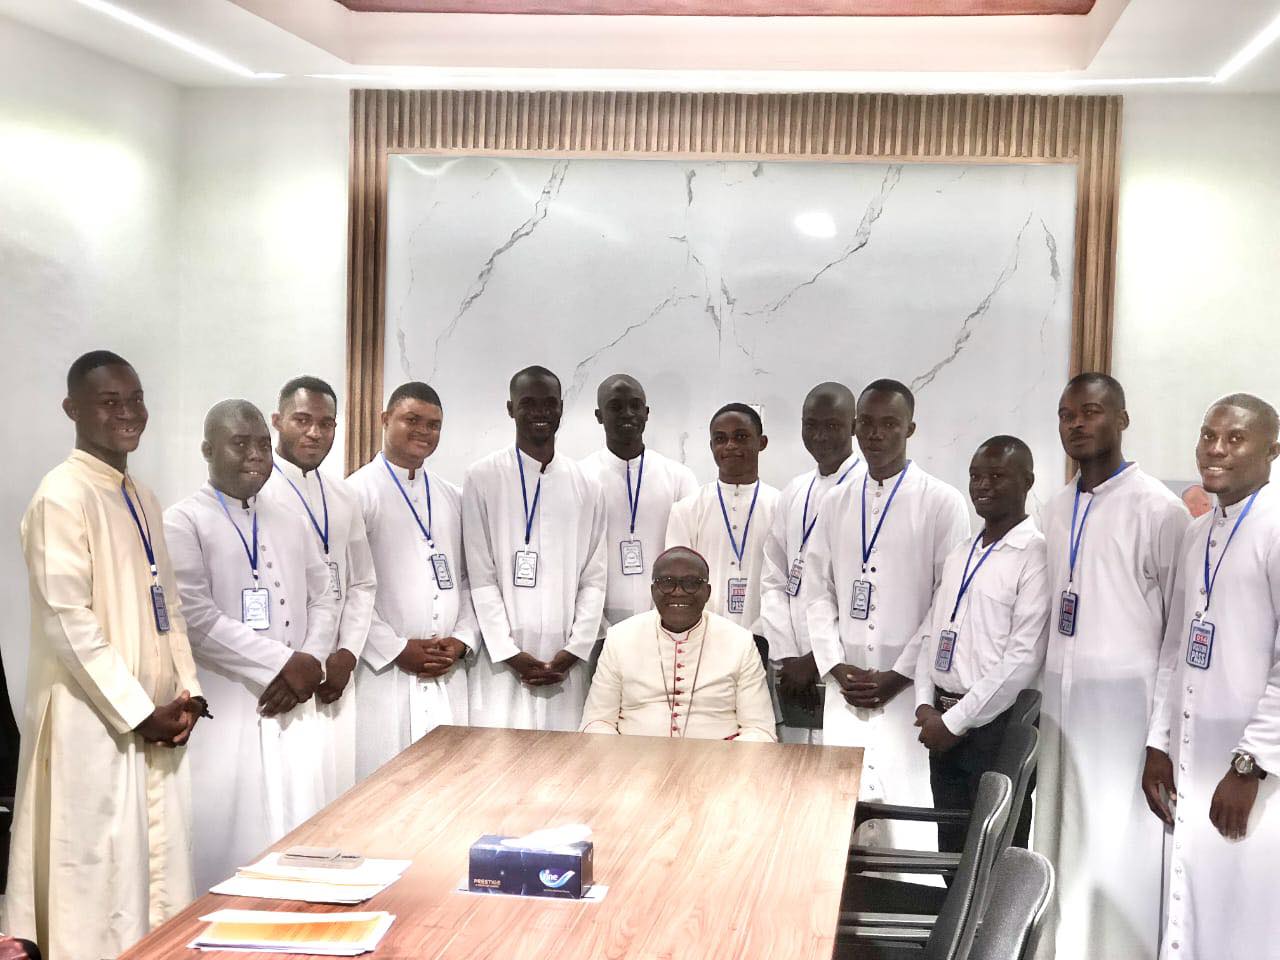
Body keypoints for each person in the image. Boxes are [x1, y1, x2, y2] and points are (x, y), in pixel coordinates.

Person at [4, 352, 205, 959]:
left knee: (154, 881)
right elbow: (68, 621)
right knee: (95, 882)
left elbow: (166, 602)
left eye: (135, 399)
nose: (127, 413)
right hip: (93, 724)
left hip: (155, 719)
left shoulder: (139, 494)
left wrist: (188, 692)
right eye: (109, 401)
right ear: (73, 410)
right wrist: (139, 709)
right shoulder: (60, 495)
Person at [1033, 373, 1189, 960]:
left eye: (1091, 411)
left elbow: (1176, 637)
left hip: (1128, 717)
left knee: (1119, 847)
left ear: (1122, 419)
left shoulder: (1160, 510)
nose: (1076, 424)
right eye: (1066, 414)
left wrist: (1160, 739)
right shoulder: (1052, 507)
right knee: (1058, 839)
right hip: (1060, 708)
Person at [165, 400, 338, 892]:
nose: (256, 455)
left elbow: (326, 596)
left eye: (263, 444)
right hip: (232, 702)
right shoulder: (183, 521)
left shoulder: (288, 516)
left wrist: (310, 664)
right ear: (208, 449)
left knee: (302, 828)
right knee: (232, 837)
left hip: (297, 701)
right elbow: (194, 618)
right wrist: (285, 663)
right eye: (240, 443)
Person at [1143, 393, 1280, 960]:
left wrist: (1251, 765)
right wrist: (1157, 743)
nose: (1215, 449)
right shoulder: (1199, 532)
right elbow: (1175, 648)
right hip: (1194, 755)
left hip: (1254, 766)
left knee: (1247, 908)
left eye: (1234, 438)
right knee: (1191, 902)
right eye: (1207, 435)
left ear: (1273, 449)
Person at [804, 378, 968, 850]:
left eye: (889, 424)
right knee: (839, 821)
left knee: (911, 818)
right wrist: (835, 665)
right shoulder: (834, 501)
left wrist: (898, 675)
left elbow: (946, 602)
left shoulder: (942, 502)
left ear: (910, 428)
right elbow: (817, 592)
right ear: (855, 428)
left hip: (906, 694)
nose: (876, 435)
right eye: (867, 425)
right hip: (845, 688)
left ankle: (912, 912)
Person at [911, 437, 1049, 852]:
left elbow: (1022, 659)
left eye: (996, 475)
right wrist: (924, 702)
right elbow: (931, 633)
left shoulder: (1035, 555)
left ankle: (991, 921)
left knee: (993, 850)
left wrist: (955, 723)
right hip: (943, 718)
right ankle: (953, 918)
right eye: (975, 475)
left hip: (996, 727)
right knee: (951, 848)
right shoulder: (962, 553)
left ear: (1027, 481)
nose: (982, 485)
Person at [462, 366, 607, 730]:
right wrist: (509, 653)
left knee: (566, 770)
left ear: (561, 409)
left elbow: (594, 577)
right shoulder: (482, 478)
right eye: (528, 403)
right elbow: (481, 576)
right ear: (511, 409)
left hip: (567, 664)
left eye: (549, 404)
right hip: (502, 665)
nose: (540, 412)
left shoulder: (587, 485)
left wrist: (575, 650)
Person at [347, 382, 479, 778]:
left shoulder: (452, 496)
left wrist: (462, 640)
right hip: (385, 675)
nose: (424, 431)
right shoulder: (355, 493)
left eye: (434, 425)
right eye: (412, 420)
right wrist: (395, 648)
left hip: (447, 672)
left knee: (451, 782)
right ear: (385, 419)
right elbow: (348, 593)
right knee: (384, 783)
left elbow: (471, 578)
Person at [262, 376, 376, 800]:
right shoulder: (258, 491)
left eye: (326, 423)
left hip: (336, 673)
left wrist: (347, 652)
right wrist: (299, 661)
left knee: (333, 788)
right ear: (277, 421)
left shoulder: (343, 494)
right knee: (284, 795)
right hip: (284, 672)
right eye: (302, 420)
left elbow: (362, 581)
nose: (315, 432)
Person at [580, 547, 776, 741]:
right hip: (636, 763)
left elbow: (759, 729)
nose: (679, 592)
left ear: (707, 592)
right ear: (653, 591)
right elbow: (597, 721)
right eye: (667, 582)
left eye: (691, 583)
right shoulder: (620, 638)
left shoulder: (740, 641)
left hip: (717, 765)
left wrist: (721, 763)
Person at [761, 382, 863, 744]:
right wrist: (788, 656)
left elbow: (854, 590)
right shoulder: (795, 490)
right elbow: (774, 578)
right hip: (792, 670)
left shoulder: (866, 491)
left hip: (842, 667)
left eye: (832, 426)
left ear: (854, 426)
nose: (819, 436)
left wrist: (816, 660)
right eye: (810, 424)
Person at [580, 374, 697, 639]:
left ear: (647, 413)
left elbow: (689, 555)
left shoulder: (678, 477)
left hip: (666, 624)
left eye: (635, 406)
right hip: (594, 628)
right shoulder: (580, 477)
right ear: (599, 415)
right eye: (616, 407)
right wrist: (597, 628)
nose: (627, 414)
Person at [665, 404, 781, 646]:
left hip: (767, 638)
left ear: (762, 442)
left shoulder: (781, 507)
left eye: (741, 437)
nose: (730, 446)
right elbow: (678, 583)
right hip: (702, 640)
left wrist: (759, 632)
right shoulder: (687, 509)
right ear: (711, 446)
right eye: (721, 439)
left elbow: (786, 582)